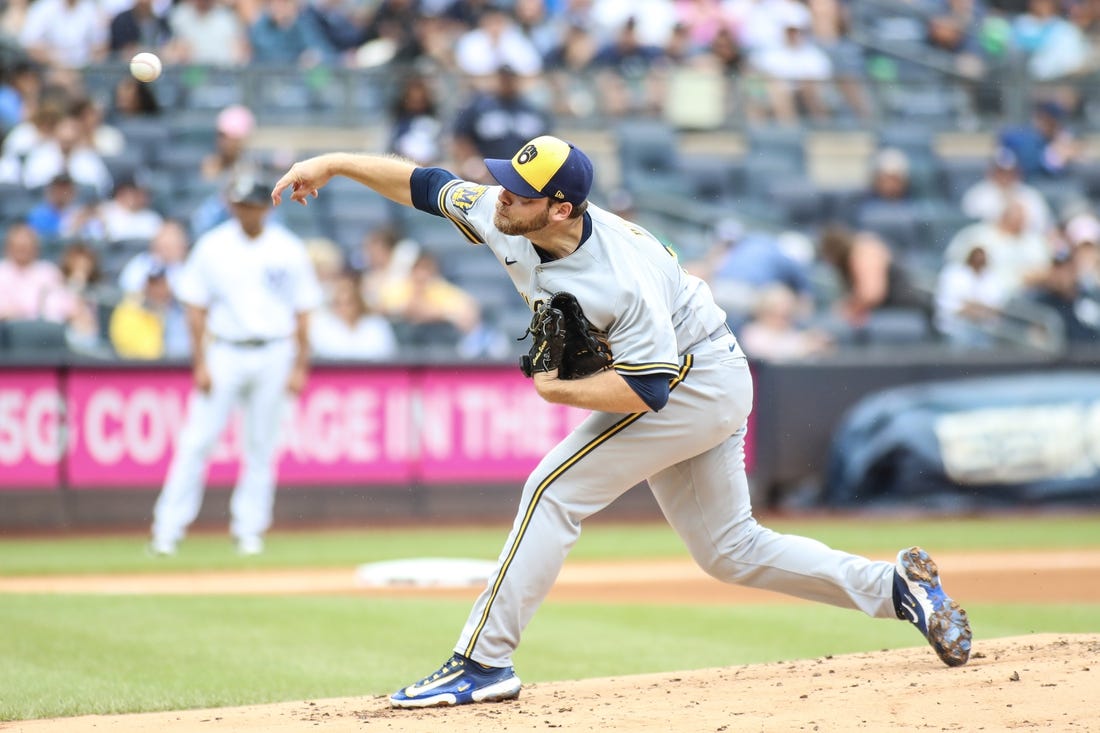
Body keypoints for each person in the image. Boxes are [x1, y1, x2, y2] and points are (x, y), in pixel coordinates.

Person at [271, 134, 973, 707]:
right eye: (504, 182)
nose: (500, 195)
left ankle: (484, 661)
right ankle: (894, 587)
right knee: (728, 549)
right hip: (700, 374)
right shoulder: (506, 212)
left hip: (693, 376)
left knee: (553, 488)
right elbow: (422, 184)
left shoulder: (620, 274)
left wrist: (562, 392)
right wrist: (333, 162)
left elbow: (648, 390)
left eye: (518, 190)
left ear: (558, 209)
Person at [149, 175, 323, 557]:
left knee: (261, 446)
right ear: (231, 205)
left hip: (274, 350)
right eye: (243, 203)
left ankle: (249, 530)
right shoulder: (213, 246)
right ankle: (167, 530)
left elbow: (304, 310)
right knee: (197, 441)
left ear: (267, 206)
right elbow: (194, 307)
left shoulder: (288, 248)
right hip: (224, 350)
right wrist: (200, 361)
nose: (249, 210)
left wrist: (299, 365)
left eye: (256, 203)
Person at [309, 271, 397, 360]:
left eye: (349, 303)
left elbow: (388, 356)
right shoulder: (321, 327)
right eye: (338, 303)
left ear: (358, 303)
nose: (343, 308)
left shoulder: (377, 325)